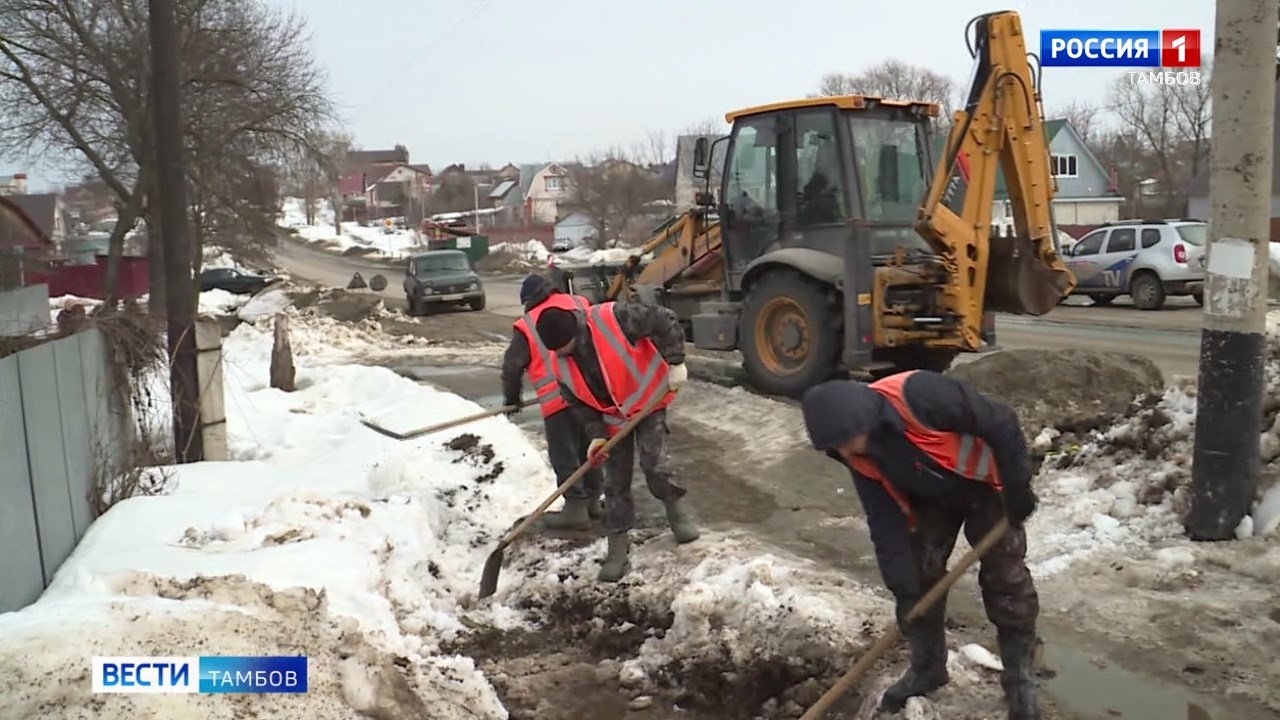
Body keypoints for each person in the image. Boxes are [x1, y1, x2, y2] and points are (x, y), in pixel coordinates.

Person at [800, 370, 1042, 720]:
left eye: (844, 441)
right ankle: (928, 668)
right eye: (834, 446)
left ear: (864, 422)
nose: (842, 451)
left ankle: (1019, 676)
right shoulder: (855, 453)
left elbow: (1001, 421)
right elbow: (884, 522)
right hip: (933, 495)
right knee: (916, 573)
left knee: (1005, 579)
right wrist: (903, 589)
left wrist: (1018, 488)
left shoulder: (921, 395)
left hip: (988, 487)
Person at [533, 299, 698, 582]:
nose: (563, 354)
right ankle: (617, 549)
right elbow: (578, 403)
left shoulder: (615, 318)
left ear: (574, 332)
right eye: (558, 351)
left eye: (565, 347)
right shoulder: (560, 362)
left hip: (648, 400)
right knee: (615, 483)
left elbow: (664, 316)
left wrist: (676, 361)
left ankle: (679, 516)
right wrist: (596, 435)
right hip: (613, 419)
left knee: (654, 463)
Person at [500, 274, 605, 530]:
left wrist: (512, 398)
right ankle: (594, 500)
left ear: (528, 300)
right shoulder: (580, 302)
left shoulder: (527, 324)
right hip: (592, 394)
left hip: (557, 401)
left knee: (564, 455)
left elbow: (512, 365)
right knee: (591, 446)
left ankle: (576, 508)